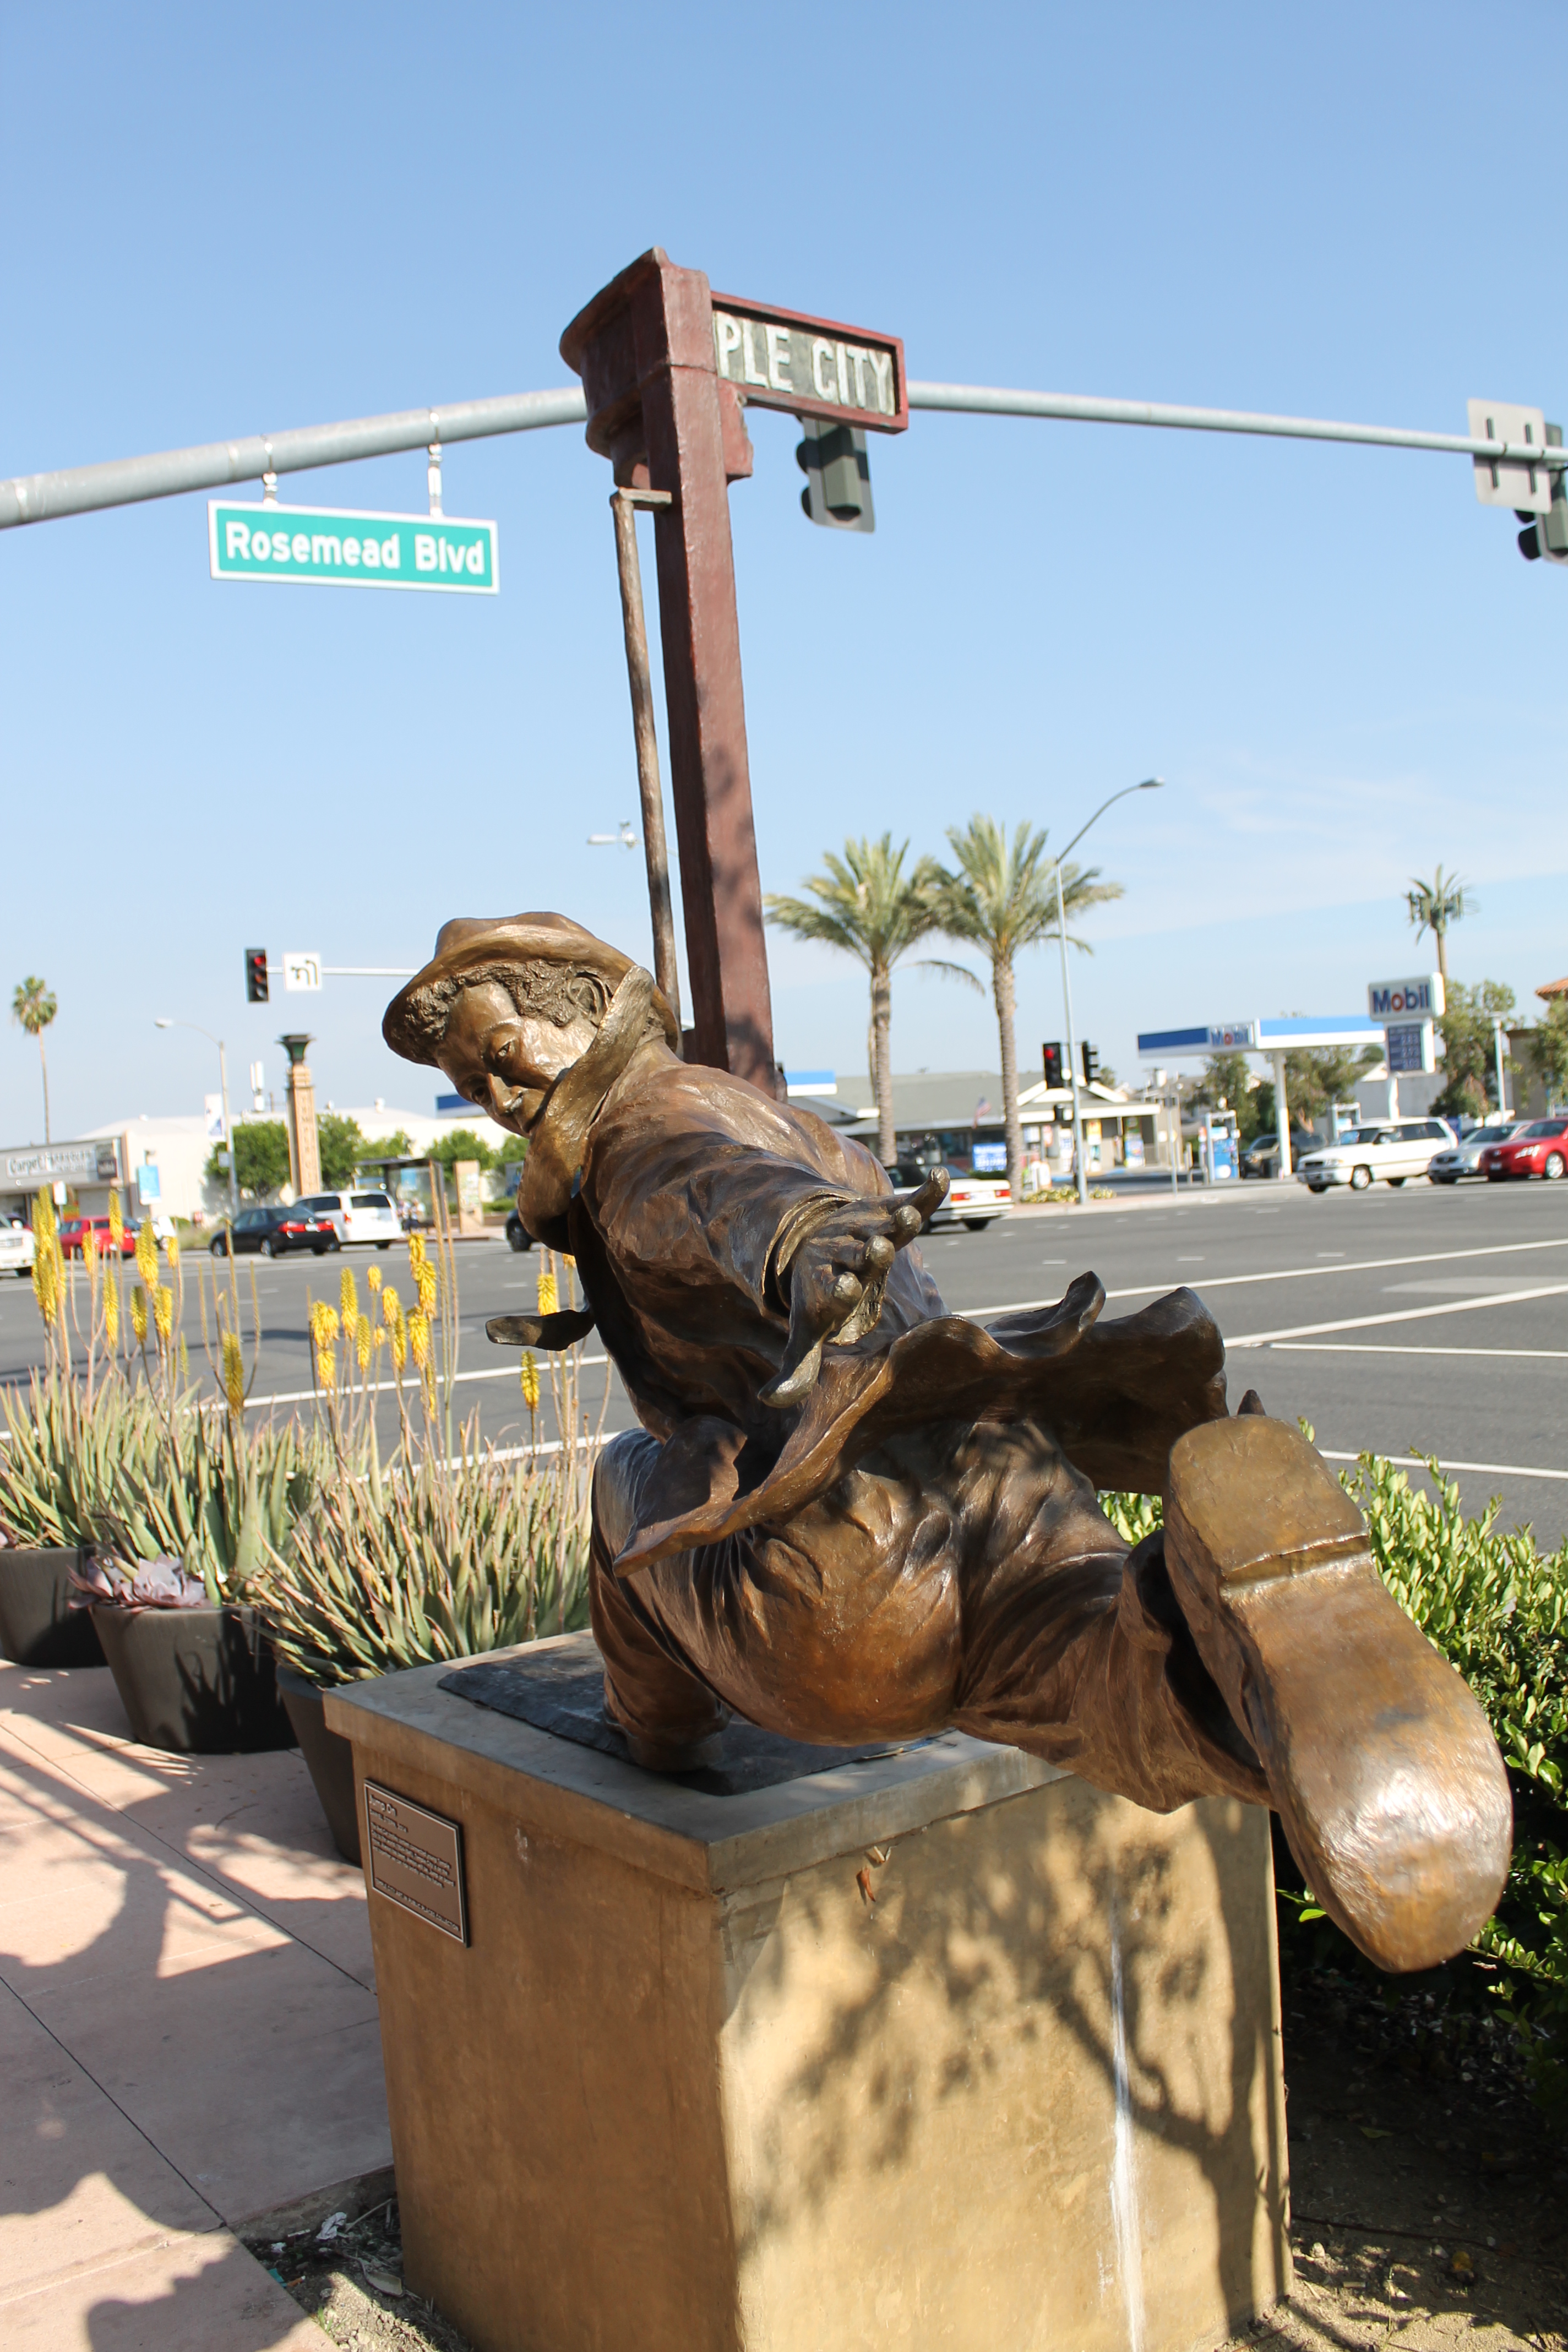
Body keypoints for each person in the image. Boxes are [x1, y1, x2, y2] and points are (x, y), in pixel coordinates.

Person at [384, 913, 1510, 1975]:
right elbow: (766, 1190)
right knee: (1103, 1676)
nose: (492, 1092)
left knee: (624, 1485)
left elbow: (726, 1200)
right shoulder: (768, 1111)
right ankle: (1238, 1676)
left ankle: (656, 1730)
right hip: (1005, 1477)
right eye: (468, 1082)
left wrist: (800, 1243)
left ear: (583, 1003)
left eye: (497, 1050)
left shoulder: (643, 1130)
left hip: (839, 1579)